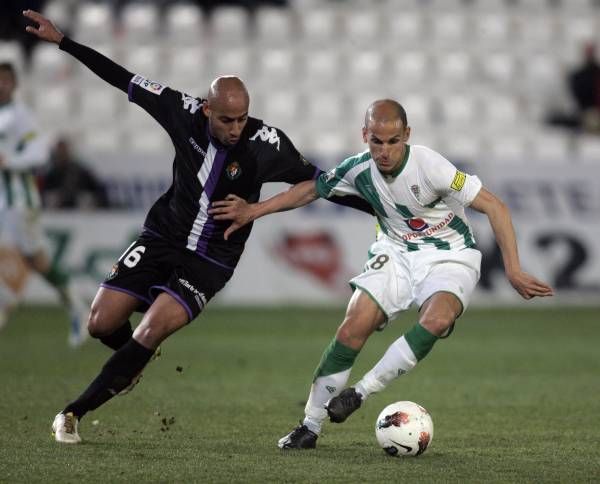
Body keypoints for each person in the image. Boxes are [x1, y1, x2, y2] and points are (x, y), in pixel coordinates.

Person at [23, 9, 373, 444]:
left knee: (150, 329)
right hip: (162, 236)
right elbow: (122, 77)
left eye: (242, 119)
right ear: (207, 109)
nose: (235, 128)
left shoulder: (267, 145)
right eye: (226, 119)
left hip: (211, 258)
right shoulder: (180, 111)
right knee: (99, 323)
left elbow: (320, 183)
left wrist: (376, 208)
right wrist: (64, 42)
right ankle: (131, 364)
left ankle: (73, 412)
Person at [209, 99, 555, 449]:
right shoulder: (357, 169)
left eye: (393, 141)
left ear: (407, 135)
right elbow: (310, 189)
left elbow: (494, 206)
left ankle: (360, 392)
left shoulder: (430, 165)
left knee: (437, 320)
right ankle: (310, 426)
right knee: (352, 326)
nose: (384, 150)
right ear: (365, 135)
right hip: (396, 251)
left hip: (450, 256)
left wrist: (513, 269)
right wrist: (254, 210)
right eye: (376, 141)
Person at [0, 61, 88, 346]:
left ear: (15, 84)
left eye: (6, 80)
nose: (2, 85)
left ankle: (76, 306)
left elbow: (39, 155)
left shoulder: (21, 117)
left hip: (18, 201)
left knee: (36, 259)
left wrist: (10, 161)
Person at [41, 137, 109, 209]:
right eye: (59, 151)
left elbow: (99, 192)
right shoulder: (51, 174)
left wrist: (91, 200)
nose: (61, 154)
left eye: (64, 151)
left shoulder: (82, 172)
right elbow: (43, 195)